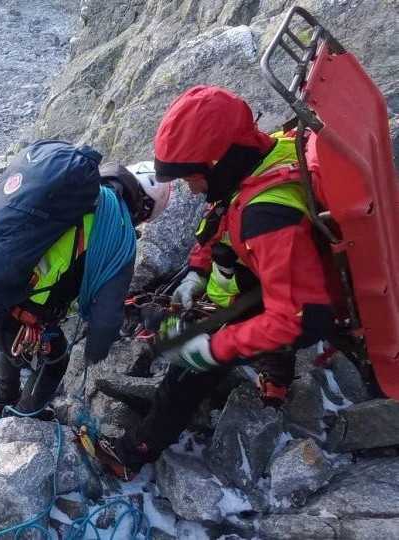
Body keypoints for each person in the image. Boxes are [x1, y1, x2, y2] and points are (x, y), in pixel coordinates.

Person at [114, 85, 336, 470]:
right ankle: (275, 374)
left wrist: (217, 347)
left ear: (220, 161)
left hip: (282, 293)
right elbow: (221, 212)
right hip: (269, 278)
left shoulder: (266, 219)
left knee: (187, 370)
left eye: (192, 176)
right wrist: (197, 271)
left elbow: (300, 319)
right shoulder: (273, 150)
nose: (190, 187)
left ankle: (137, 451)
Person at [0, 159, 171, 416]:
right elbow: (104, 317)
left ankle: (3, 399)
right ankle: (24, 414)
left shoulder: (80, 193)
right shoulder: (117, 229)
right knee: (56, 359)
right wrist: (98, 347)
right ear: (143, 207)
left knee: (17, 342)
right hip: (18, 307)